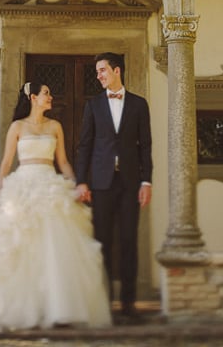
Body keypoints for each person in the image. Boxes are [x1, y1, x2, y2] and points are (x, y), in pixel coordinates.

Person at [0, 80, 111, 334]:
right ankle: (15, 309)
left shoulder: (55, 126)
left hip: (49, 186)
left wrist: (77, 184)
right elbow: (5, 164)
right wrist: (2, 194)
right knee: (16, 247)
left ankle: (56, 308)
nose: (50, 97)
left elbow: (64, 161)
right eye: (46, 93)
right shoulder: (17, 127)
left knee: (54, 246)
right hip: (22, 186)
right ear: (33, 97)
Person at [75, 52, 153, 322]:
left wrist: (146, 181)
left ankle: (129, 305)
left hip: (131, 182)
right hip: (101, 183)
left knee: (130, 241)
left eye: (102, 70)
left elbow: (146, 145)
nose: (98, 76)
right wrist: (82, 180)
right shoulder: (93, 105)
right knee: (103, 242)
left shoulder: (139, 105)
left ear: (116, 70)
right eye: (97, 71)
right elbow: (85, 145)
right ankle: (104, 304)